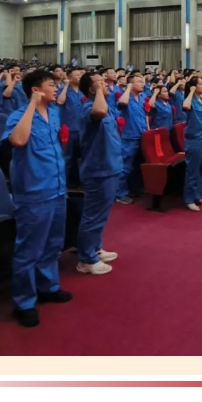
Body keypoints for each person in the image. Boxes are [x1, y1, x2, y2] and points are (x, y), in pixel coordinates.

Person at [3, 70, 71, 328]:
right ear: (36, 90)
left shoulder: (53, 113)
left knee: (53, 243)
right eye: (51, 85)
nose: (56, 88)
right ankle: (24, 302)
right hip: (34, 191)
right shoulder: (19, 115)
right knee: (29, 249)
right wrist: (31, 105)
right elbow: (18, 140)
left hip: (57, 187)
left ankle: (48, 287)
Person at [76, 72, 121, 275]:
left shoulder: (106, 106)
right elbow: (99, 111)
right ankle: (86, 258)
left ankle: (95, 247)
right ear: (91, 89)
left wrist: (99, 89)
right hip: (98, 169)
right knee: (93, 215)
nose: (106, 84)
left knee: (102, 213)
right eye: (100, 82)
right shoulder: (89, 108)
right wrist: (98, 91)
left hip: (110, 165)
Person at [115, 74, 149, 204]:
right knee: (125, 167)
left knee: (137, 166)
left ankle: (135, 188)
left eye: (142, 81)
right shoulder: (126, 97)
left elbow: (145, 115)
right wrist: (128, 89)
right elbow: (122, 103)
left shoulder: (143, 97)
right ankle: (120, 194)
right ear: (131, 84)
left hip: (142, 135)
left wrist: (148, 130)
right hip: (129, 137)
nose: (142, 84)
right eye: (139, 81)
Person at [182, 76, 202, 210]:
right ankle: (189, 199)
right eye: (200, 84)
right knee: (192, 170)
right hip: (194, 139)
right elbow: (185, 106)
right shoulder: (190, 100)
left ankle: (198, 196)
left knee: (201, 169)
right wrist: (191, 92)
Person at [56, 68, 85, 187]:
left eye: (81, 75)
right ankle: (66, 183)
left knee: (82, 157)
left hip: (82, 129)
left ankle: (80, 181)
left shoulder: (83, 91)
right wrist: (66, 86)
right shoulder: (64, 90)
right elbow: (60, 102)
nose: (80, 77)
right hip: (68, 128)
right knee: (68, 157)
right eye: (77, 75)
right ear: (69, 78)